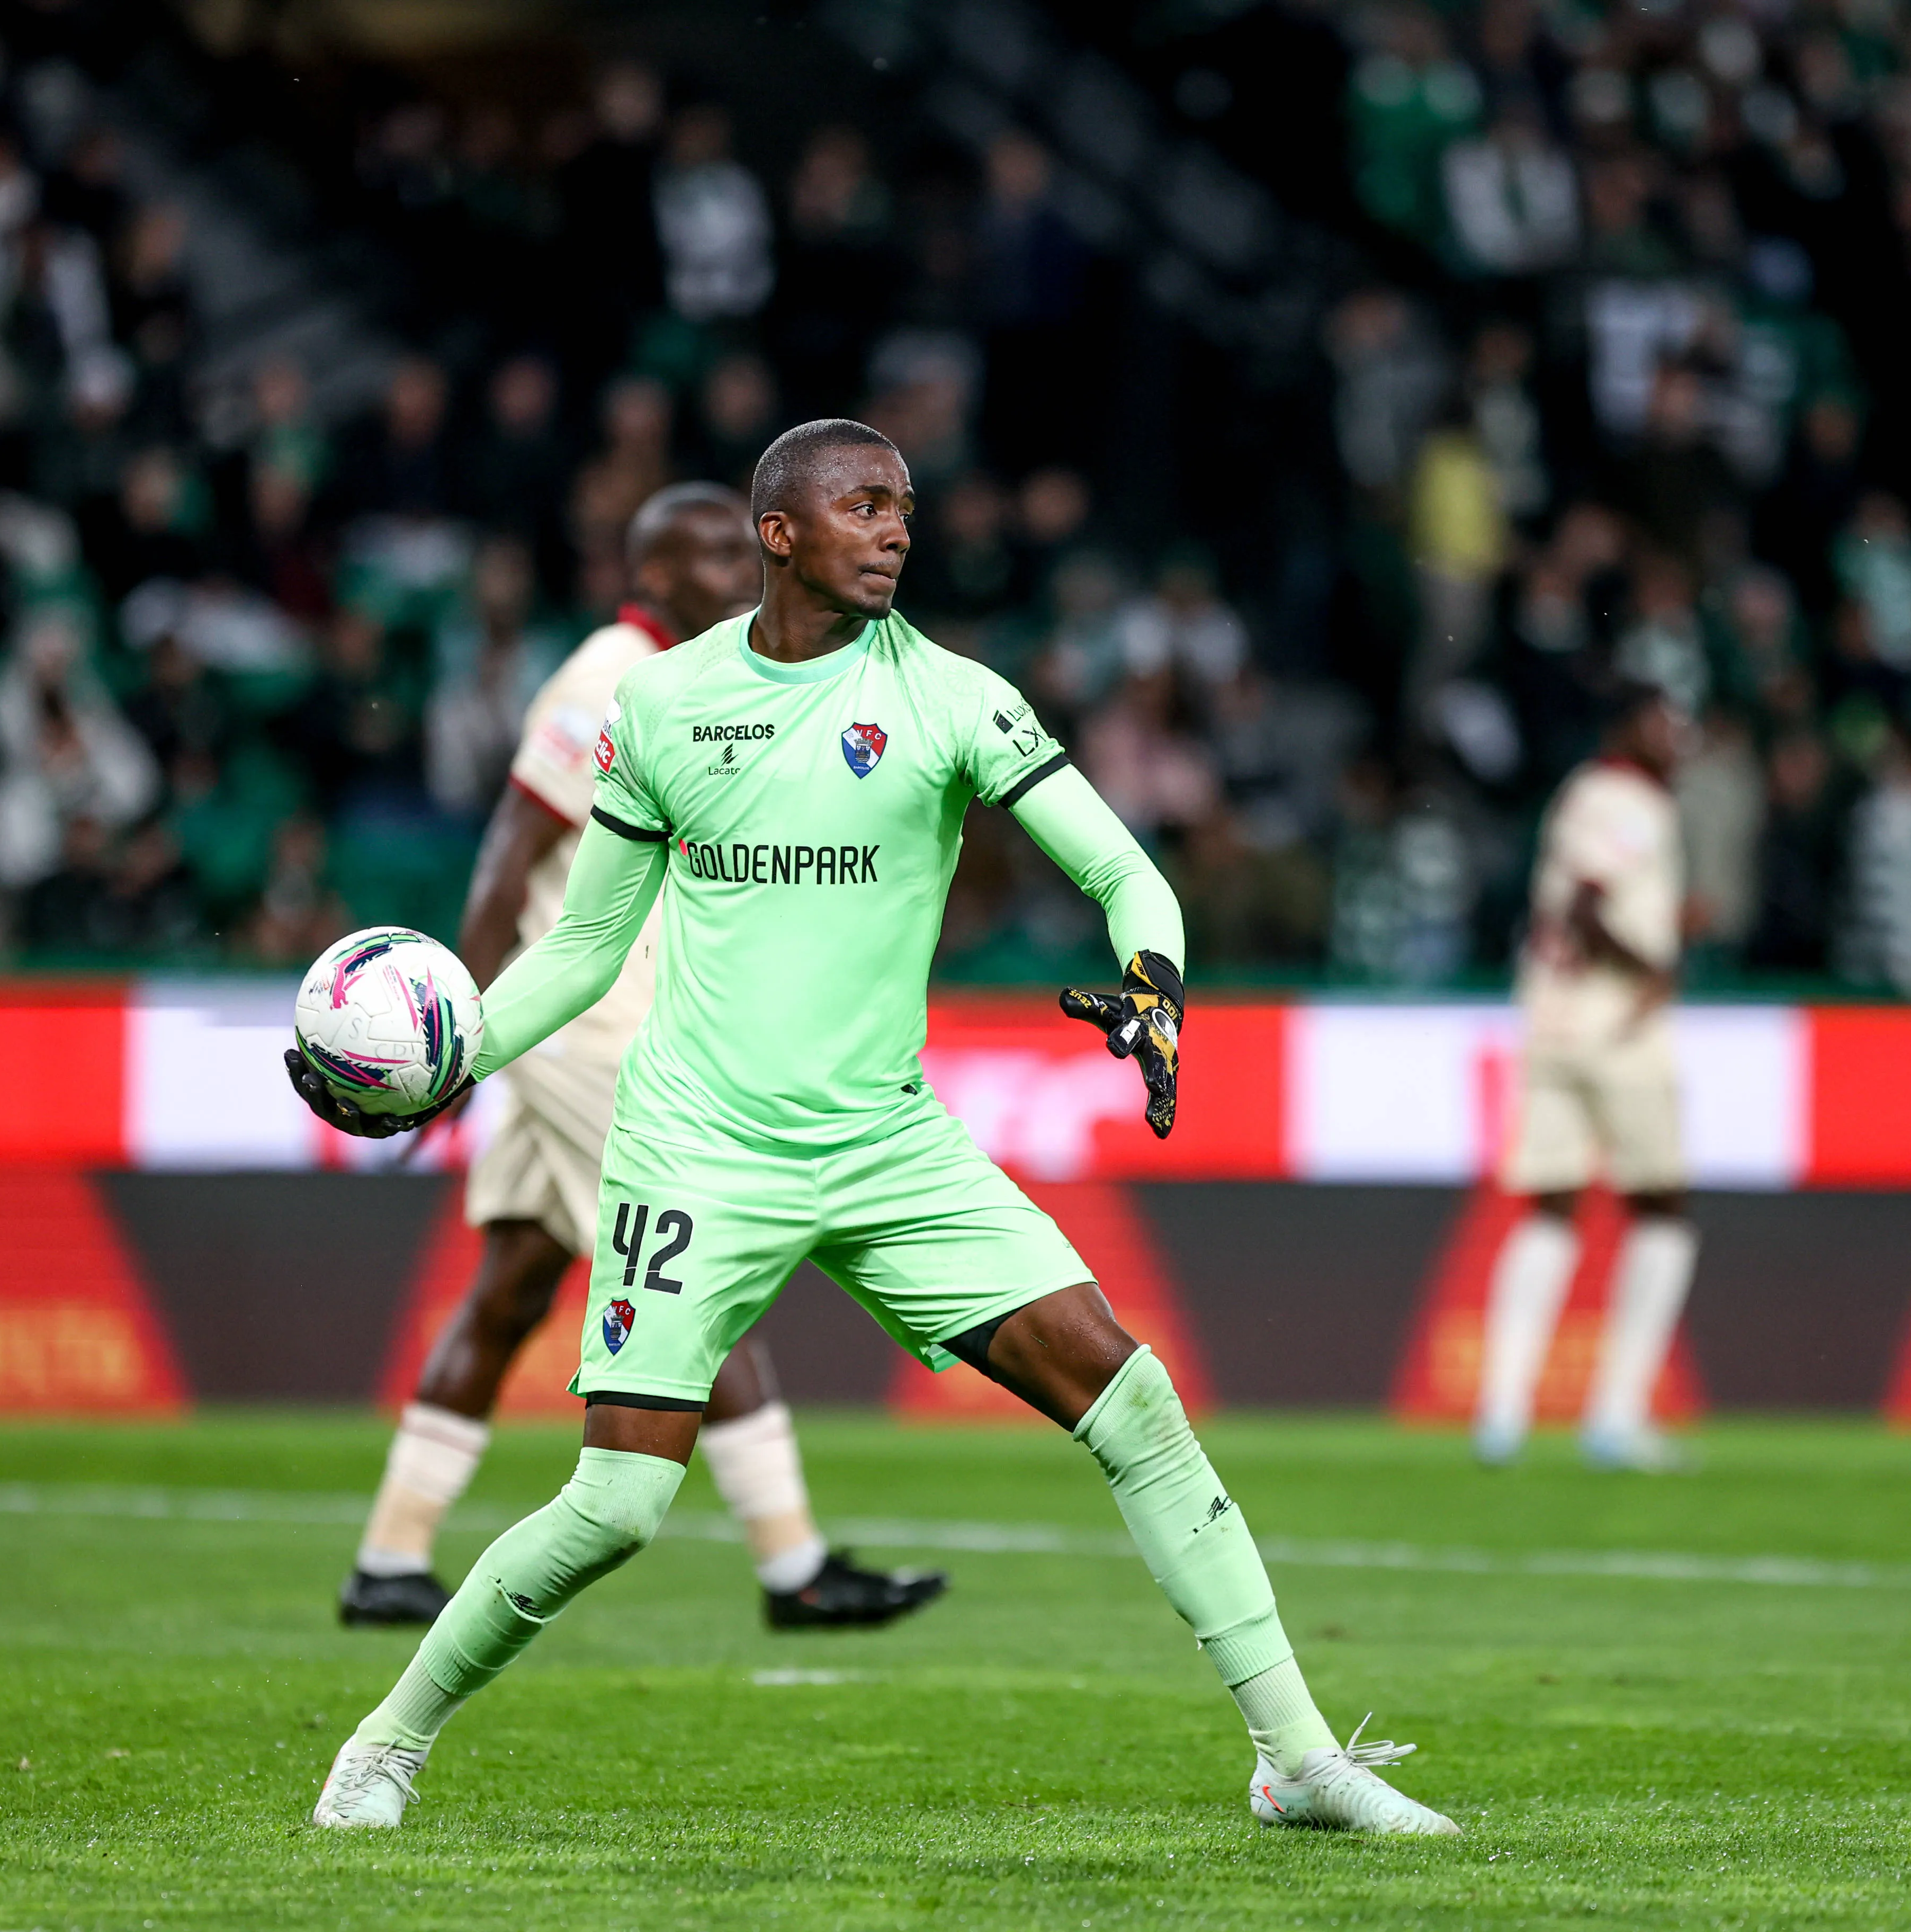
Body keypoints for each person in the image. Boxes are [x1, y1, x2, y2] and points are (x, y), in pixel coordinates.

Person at [291, 418, 1456, 1837]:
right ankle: (387, 1742)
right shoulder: (660, 705)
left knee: (1135, 1404)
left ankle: (1298, 1761)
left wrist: (1156, 985)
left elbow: (1124, 869)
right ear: (779, 534)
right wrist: (452, 1051)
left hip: (888, 1147)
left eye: (904, 506)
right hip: (697, 1151)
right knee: (615, 1509)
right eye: (863, 506)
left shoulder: (959, 699)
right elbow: (586, 952)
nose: (897, 528)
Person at [337, 480, 945, 1634]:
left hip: (609, 1019)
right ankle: (794, 1566)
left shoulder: (705, 683)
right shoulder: (604, 677)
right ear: (651, 574)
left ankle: (388, 1560)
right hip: (592, 1024)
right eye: (708, 555)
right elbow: (505, 861)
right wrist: (456, 1045)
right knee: (705, 1257)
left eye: (738, 550)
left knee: (516, 1284)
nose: (733, 571)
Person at [1470, 681, 1700, 1473]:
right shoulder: (1633, 800)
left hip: (1550, 1019)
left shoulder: (1576, 795)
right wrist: (1655, 967)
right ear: (1626, 727)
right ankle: (1616, 1415)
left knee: (1552, 1209)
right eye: (1660, 721)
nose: (1675, 736)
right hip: (1617, 1026)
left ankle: (1501, 1413)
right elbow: (1590, 908)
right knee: (1663, 1207)